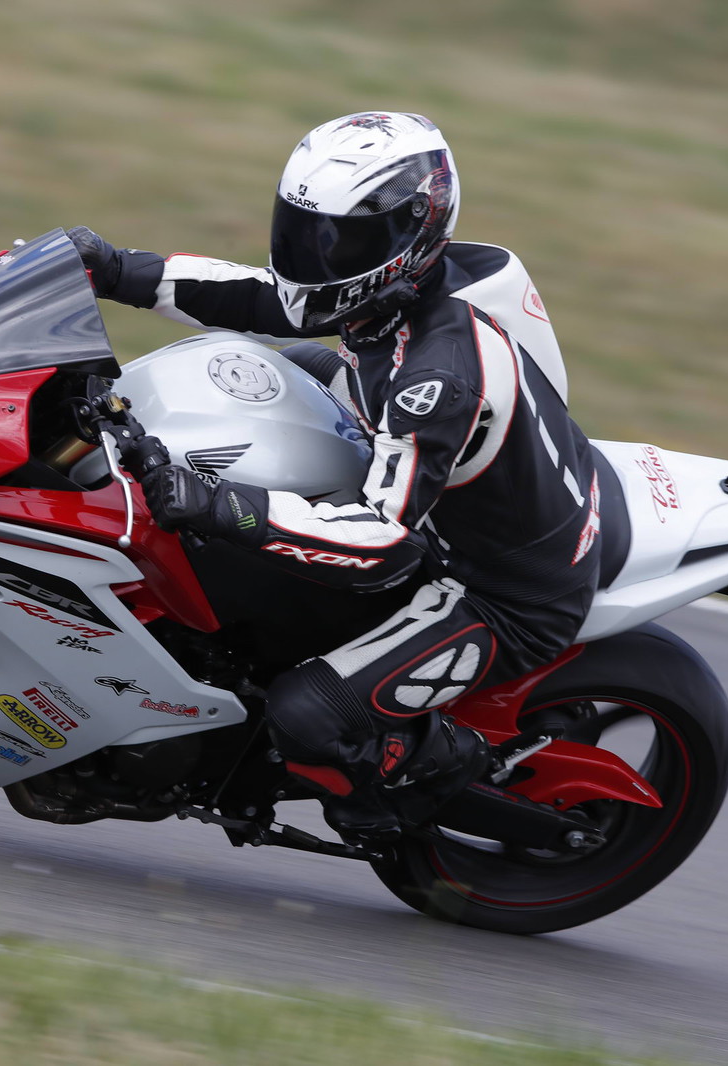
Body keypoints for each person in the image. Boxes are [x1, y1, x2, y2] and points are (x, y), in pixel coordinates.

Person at [69, 111, 611, 841]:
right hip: (421, 473)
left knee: (307, 715)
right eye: (305, 231)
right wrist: (110, 267)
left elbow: (382, 543)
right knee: (249, 367)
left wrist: (223, 505)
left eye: (340, 240)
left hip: (497, 592)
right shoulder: (394, 290)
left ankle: (405, 799)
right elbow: (256, 297)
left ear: (410, 235)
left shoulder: (437, 379)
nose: (316, 256)